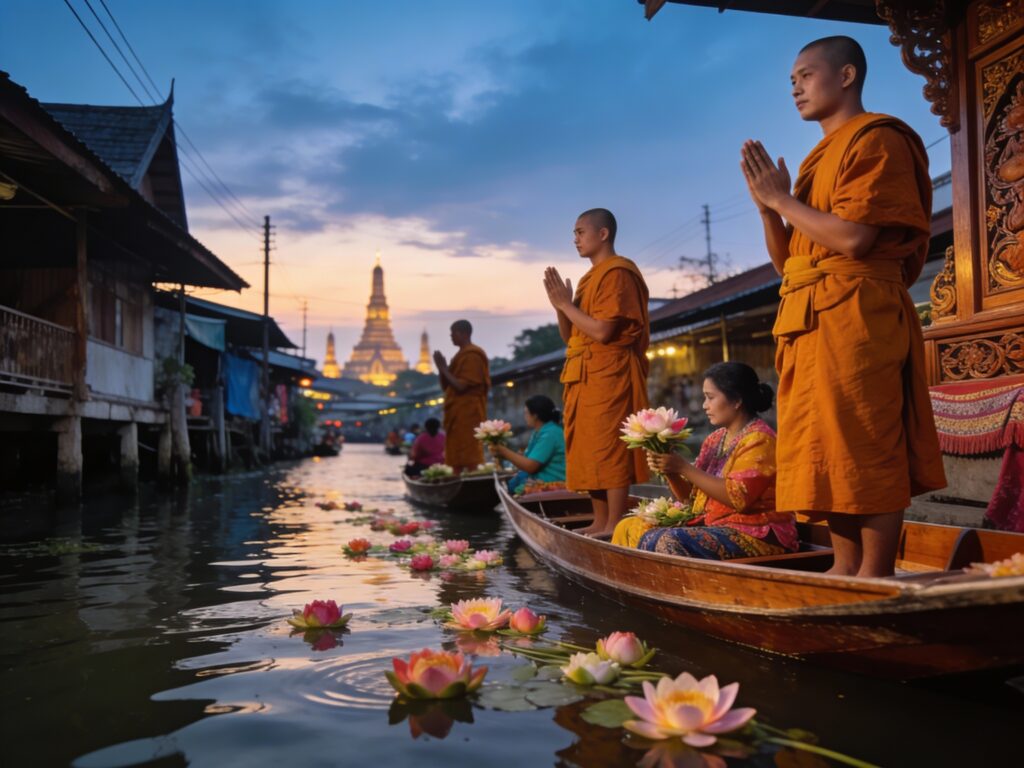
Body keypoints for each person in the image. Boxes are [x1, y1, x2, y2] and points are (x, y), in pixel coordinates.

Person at [740, 35, 945, 577]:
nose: (796, 89)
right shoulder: (817, 157)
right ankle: (845, 564)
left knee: (863, 438)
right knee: (823, 445)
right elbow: (791, 265)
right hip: (810, 314)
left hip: (858, 313)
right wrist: (767, 210)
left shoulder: (878, 140)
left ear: (847, 75)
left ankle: (876, 571)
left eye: (806, 75)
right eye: (791, 81)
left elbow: (853, 239)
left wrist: (783, 199)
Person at [612, 363, 798, 560]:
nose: (704, 405)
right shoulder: (715, 439)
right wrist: (671, 470)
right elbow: (690, 501)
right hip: (714, 524)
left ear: (736, 400)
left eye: (710, 397)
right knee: (629, 527)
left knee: (666, 541)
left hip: (756, 532)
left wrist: (683, 466)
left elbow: (738, 499)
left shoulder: (759, 439)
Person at [544, 208, 650, 537]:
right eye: (574, 233)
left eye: (580, 232)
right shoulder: (590, 278)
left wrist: (566, 305)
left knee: (609, 447)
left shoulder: (617, 273)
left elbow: (603, 332)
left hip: (608, 373)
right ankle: (600, 520)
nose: (574, 239)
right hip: (582, 374)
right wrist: (560, 305)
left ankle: (615, 521)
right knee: (588, 448)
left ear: (602, 234)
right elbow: (572, 335)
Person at [434, 320, 490, 473]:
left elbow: (461, 386)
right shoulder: (459, 356)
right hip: (456, 413)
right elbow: (447, 387)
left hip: (469, 412)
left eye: (453, 333)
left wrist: (443, 368)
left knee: (469, 448)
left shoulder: (473, 355)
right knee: (455, 449)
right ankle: (456, 474)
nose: (451, 337)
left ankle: (472, 474)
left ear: (463, 334)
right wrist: (442, 369)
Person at [489, 395, 566, 493]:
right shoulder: (540, 432)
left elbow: (530, 466)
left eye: (526, 413)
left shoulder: (550, 433)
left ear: (535, 415)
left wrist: (504, 451)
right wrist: (503, 454)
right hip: (539, 481)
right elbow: (528, 460)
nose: (524, 416)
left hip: (553, 484)